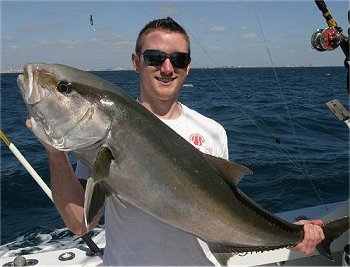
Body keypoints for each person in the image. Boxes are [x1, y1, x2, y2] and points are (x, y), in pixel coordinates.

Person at [27, 17, 325, 265]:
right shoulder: (95, 140)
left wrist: (293, 234)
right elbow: (80, 223)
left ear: (188, 66)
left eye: (178, 59)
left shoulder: (212, 131)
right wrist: (55, 153)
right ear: (136, 61)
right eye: (155, 58)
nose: (167, 68)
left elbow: (229, 212)